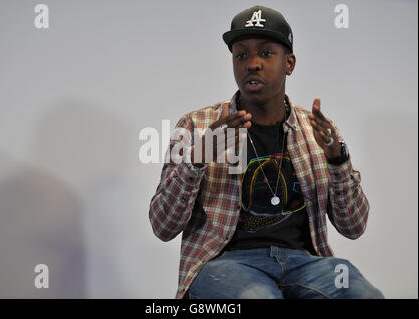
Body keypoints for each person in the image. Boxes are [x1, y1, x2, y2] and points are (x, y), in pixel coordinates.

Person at [149, 5, 384, 299]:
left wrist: (339, 160)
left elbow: (354, 226)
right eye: (241, 55)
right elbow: (163, 227)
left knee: (364, 295)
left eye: (266, 53)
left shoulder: (317, 131)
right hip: (226, 265)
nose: (252, 64)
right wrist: (196, 161)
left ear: (290, 63)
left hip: (306, 263)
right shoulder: (198, 125)